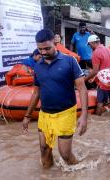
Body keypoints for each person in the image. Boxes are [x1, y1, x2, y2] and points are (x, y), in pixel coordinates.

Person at [22, 29, 88, 168]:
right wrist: (27, 116)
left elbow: (82, 88)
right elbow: (36, 93)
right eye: (40, 49)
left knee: (65, 154)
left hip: (66, 114)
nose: (44, 52)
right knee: (44, 150)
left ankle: (81, 171)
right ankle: (47, 175)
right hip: (45, 115)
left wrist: (84, 116)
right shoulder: (38, 66)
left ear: (55, 43)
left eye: (47, 48)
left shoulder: (69, 61)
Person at [85, 34, 110, 115]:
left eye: (89, 45)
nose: (89, 47)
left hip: (103, 82)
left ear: (93, 43)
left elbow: (95, 71)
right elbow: (106, 66)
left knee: (100, 102)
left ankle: (97, 119)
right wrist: (94, 78)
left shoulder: (96, 52)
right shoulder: (108, 49)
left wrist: (85, 79)